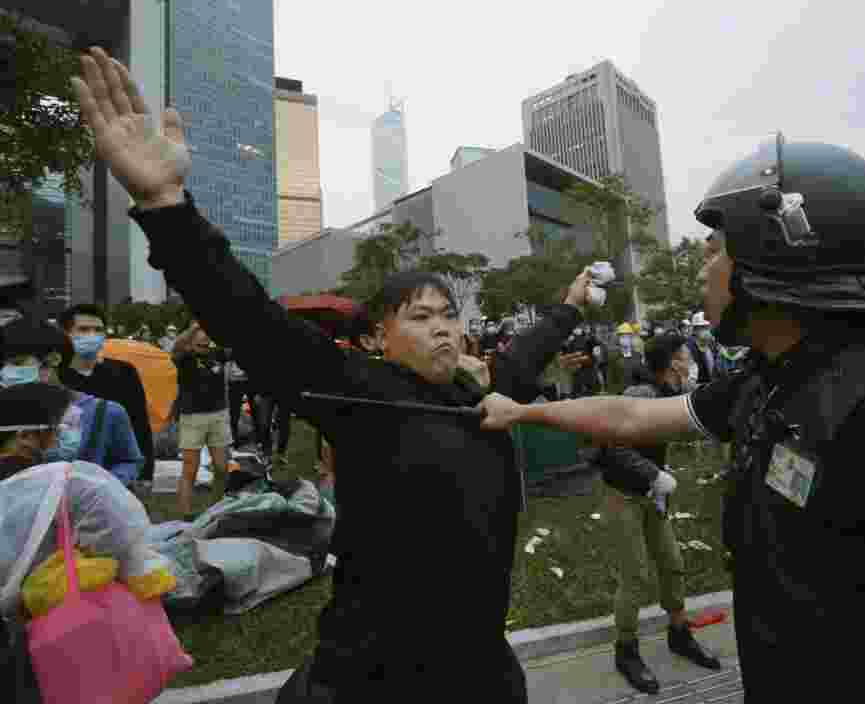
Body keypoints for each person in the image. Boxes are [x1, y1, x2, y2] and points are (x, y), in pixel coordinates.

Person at [70, 48, 591, 701]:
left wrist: (568, 309)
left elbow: (519, 361)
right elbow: (252, 320)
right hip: (375, 677)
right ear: (376, 336)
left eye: (448, 314)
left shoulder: (476, 394)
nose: (441, 327)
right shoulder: (360, 392)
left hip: (481, 669)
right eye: (419, 315)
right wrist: (167, 204)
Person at [480, 136, 865, 700]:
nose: (701, 271)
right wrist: (524, 411)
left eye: (713, 251)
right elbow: (630, 415)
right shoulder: (771, 383)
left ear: (773, 253)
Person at [0, 383, 163, 702]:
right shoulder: (71, 483)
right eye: (64, 425)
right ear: (25, 436)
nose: (71, 433)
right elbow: (124, 537)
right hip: (56, 636)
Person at [598, 334, 720, 694]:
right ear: (670, 363)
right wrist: (653, 474)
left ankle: (679, 634)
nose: (691, 361)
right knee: (635, 574)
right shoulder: (640, 396)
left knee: (671, 562)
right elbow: (611, 445)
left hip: (652, 494)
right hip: (623, 493)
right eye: (685, 356)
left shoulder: (672, 390)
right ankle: (626, 649)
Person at [2, 317, 144, 485]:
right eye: (2, 365)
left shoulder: (105, 412)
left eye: (17, 363)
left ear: (54, 359)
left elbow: (129, 461)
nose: (7, 372)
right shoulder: (6, 411)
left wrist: (104, 485)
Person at [59, 304, 155, 483]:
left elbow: (139, 422)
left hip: (117, 473)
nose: (92, 335)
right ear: (66, 334)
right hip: (67, 472)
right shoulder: (56, 375)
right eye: (83, 329)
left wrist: (146, 473)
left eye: (98, 330)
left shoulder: (124, 372)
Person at [170, 321, 231, 516]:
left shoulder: (216, 355)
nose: (204, 336)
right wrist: (193, 328)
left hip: (218, 415)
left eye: (206, 332)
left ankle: (215, 509)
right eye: (200, 333)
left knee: (222, 468)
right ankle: (185, 516)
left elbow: (235, 346)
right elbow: (177, 346)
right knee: (190, 469)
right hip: (192, 417)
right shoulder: (184, 357)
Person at [685, 311, 720, 384]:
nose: (707, 331)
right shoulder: (688, 348)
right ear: (695, 330)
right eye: (703, 328)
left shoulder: (712, 345)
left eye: (708, 327)